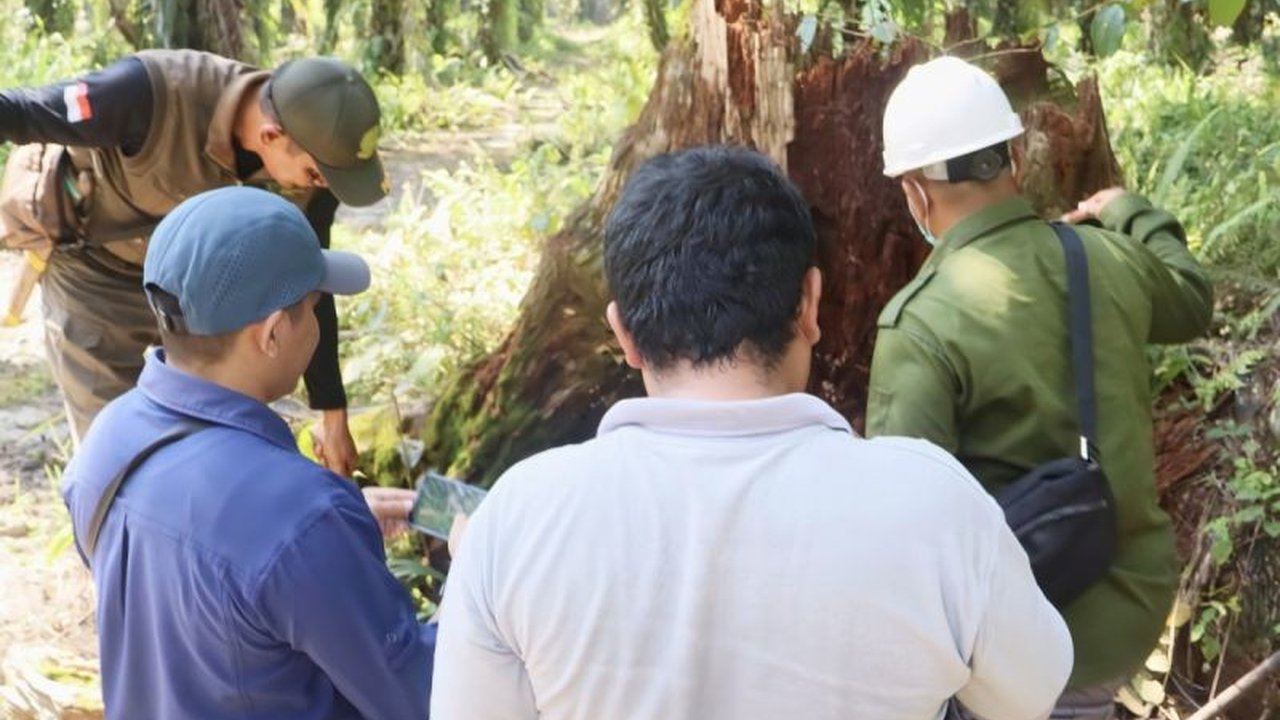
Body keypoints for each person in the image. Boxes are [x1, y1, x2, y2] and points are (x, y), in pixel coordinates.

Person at [431, 145, 1072, 720]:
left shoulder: (517, 520)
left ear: (623, 333)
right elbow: (1029, 693)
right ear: (810, 305)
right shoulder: (939, 509)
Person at [866, 57, 1215, 719]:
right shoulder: (1108, 259)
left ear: (914, 192)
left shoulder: (921, 323)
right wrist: (1129, 210)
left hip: (1015, 652)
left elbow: (903, 537)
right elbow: (1193, 300)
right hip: (1127, 620)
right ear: (1015, 161)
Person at [60, 186, 434, 719]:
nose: (319, 322)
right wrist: (480, 574)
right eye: (313, 307)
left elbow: (198, 575)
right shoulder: (304, 517)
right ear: (274, 333)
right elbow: (421, 698)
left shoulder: (107, 438)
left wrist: (325, 545)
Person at [0, 49, 387, 474]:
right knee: (115, 453)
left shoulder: (318, 160)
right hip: (98, 277)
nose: (321, 186)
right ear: (271, 136)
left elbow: (309, 283)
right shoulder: (145, 95)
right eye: (315, 175)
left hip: (204, 294)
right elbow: (19, 112)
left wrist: (332, 413)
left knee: (211, 438)